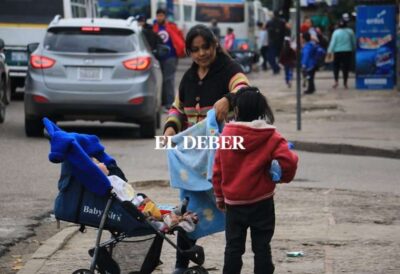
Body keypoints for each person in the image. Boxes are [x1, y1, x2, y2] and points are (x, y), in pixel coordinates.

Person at [163, 24, 250, 274]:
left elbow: (245, 90)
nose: (201, 53)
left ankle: (231, 267)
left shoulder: (229, 70)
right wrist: (171, 128)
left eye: (206, 47)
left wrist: (229, 99)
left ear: (215, 45)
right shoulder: (188, 78)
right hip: (193, 162)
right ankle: (181, 266)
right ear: (189, 52)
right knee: (188, 214)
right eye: (195, 49)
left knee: (232, 213)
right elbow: (177, 108)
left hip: (224, 159)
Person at [212, 87, 298, 274]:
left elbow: (217, 170)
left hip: (234, 203)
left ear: (238, 110)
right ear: (261, 110)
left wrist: (219, 198)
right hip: (262, 202)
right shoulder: (271, 136)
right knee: (262, 246)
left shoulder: (226, 136)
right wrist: (281, 177)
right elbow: (289, 161)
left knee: (233, 247)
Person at [153, 8, 185, 110]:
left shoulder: (171, 27)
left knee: (169, 80)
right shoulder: (154, 27)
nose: (160, 17)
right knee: (161, 80)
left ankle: (169, 104)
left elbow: (180, 38)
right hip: (158, 58)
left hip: (171, 56)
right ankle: (162, 103)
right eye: (158, 16)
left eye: (162, 15)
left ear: (165, 17)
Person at [327, 20, 356, 89]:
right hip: (347, 51)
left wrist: (329, 51)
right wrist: (354, 49)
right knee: (345, 68)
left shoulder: (336, 32)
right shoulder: (350, 31)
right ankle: (345, 83)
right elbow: (353, 42)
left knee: (336, 67)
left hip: (337, 52)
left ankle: (336, 81)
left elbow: (333, 43)